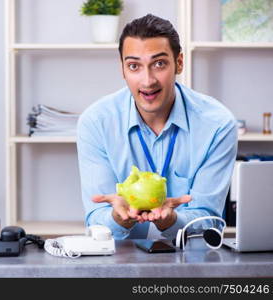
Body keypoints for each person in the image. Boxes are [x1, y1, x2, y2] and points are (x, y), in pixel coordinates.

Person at [76, 14, 237, 240]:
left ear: (179, 63)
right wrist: (117, 218)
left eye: (159, 64)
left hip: (191, 260)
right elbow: (96, 219)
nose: (148, 80)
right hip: (121, 261)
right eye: (134, 66)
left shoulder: (218, 124)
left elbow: (209, 220)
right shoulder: (96, 122)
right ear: (122, 69)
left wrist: (172, 221)